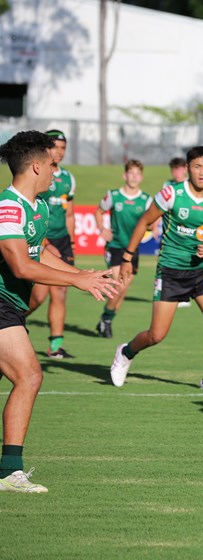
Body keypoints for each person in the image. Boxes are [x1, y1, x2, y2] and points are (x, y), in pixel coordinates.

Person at [0, 131, 118, 492]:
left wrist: (81, 273)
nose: (56, 170)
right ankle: (10, 472)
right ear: (36, 165)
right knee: (30, 375)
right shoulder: (9, 206)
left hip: (12, 308)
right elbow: (21, 265)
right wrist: (76, 282)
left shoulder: (39, 206)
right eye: (52, 164)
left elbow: (41, 252)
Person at [109, 146, 203, 391]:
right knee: (156, 335)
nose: (202, 172)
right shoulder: (171, 194)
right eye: (197, 166)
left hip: (201, 271)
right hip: (171, 271)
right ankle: (126, 352)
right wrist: (127, 257)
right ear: (187, 169)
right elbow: (144, 221)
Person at [26, 129, 76, 358]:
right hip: (41, 240)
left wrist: (71, 242)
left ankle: (56, 345)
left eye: (63, 148)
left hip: (63, 242)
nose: (59, 152)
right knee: (38, 296)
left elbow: (69, 214)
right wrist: (45, 241)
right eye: (55, 147)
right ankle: (12, 323)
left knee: (60, 292)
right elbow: (31, 212)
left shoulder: (68, 178)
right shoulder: (37, 174)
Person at [94, 160, 153, 338]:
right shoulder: (113, 196)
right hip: (115, 247)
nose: (134, 177)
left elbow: (152, 220)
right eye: (131, 173)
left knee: (123, 289)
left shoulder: (146, 200)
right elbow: (98, 212)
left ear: (141, 177)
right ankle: (107, 318)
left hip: (133, 249)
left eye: (137, 174)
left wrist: (153, 226)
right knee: (118, 287)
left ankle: (107, 319)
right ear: (124, 175)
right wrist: (102, 229)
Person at [164, 158, 192, 308]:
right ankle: (174, 294)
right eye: (173, 169)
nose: (176, 172)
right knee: (171, 260)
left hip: (187, 231)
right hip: (171, 229)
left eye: (179, 169)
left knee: (187, 261)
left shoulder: (191, 185)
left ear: (185, 169)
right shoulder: (167, 185)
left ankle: (184, 294)